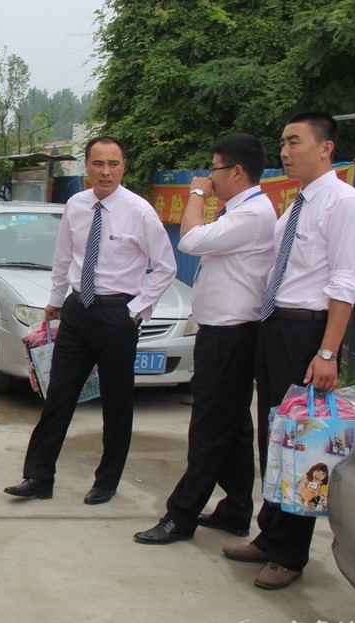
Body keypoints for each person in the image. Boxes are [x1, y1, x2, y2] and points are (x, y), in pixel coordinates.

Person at [222, 112, 355, 589]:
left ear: (325, 148)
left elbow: (346, 282)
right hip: (275, 327)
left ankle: (290, 554)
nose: (284, 152)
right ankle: (269, 535)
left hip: (307, 334)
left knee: (303, 444)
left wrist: (327, 353)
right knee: (275, 437)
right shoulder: (296, 205)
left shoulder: (345, 204)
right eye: (282, 142)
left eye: (294, 141)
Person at [3, 137, 176, 505]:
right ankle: (38, 477)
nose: (105, 172)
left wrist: (136, 310)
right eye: (98, 164)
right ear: (87, 166)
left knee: (116, 405)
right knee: (58, 397)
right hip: (77, 311)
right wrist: (54, 303)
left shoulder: (139, 211)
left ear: (123, 166)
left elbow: (165, 267)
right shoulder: (77, 206)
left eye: (113, 164)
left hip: (117, 315)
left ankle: (106, 481)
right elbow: (63, 257)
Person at [133, 133, 276, 544]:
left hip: (232, 334)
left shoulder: (253, 214)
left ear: (236, 171)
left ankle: (181, 515)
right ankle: (236, 508)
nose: (208, 177)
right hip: (221, 332)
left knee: (209, 427)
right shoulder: (241, 212)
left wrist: (196, 192)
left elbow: (190, 240)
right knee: (231, 427)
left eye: (213, 169)